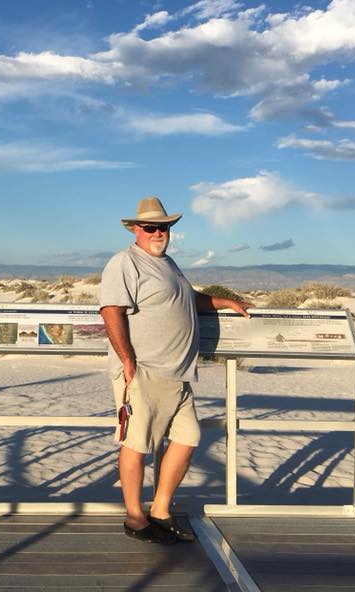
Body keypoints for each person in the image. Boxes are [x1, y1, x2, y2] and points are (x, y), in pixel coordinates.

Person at [99, 196, 250, 544]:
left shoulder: (168, 264)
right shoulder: (125, 263)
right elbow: (111, 311)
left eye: (163, 227)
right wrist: (128, 362)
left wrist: (226, 301)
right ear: (136, 229)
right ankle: (135, 518)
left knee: (188, 438)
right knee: (136, 443)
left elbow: (190, 298)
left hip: (178, 373)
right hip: (144, 370)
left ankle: (161, 511)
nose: (158, 233)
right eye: (150, 227)